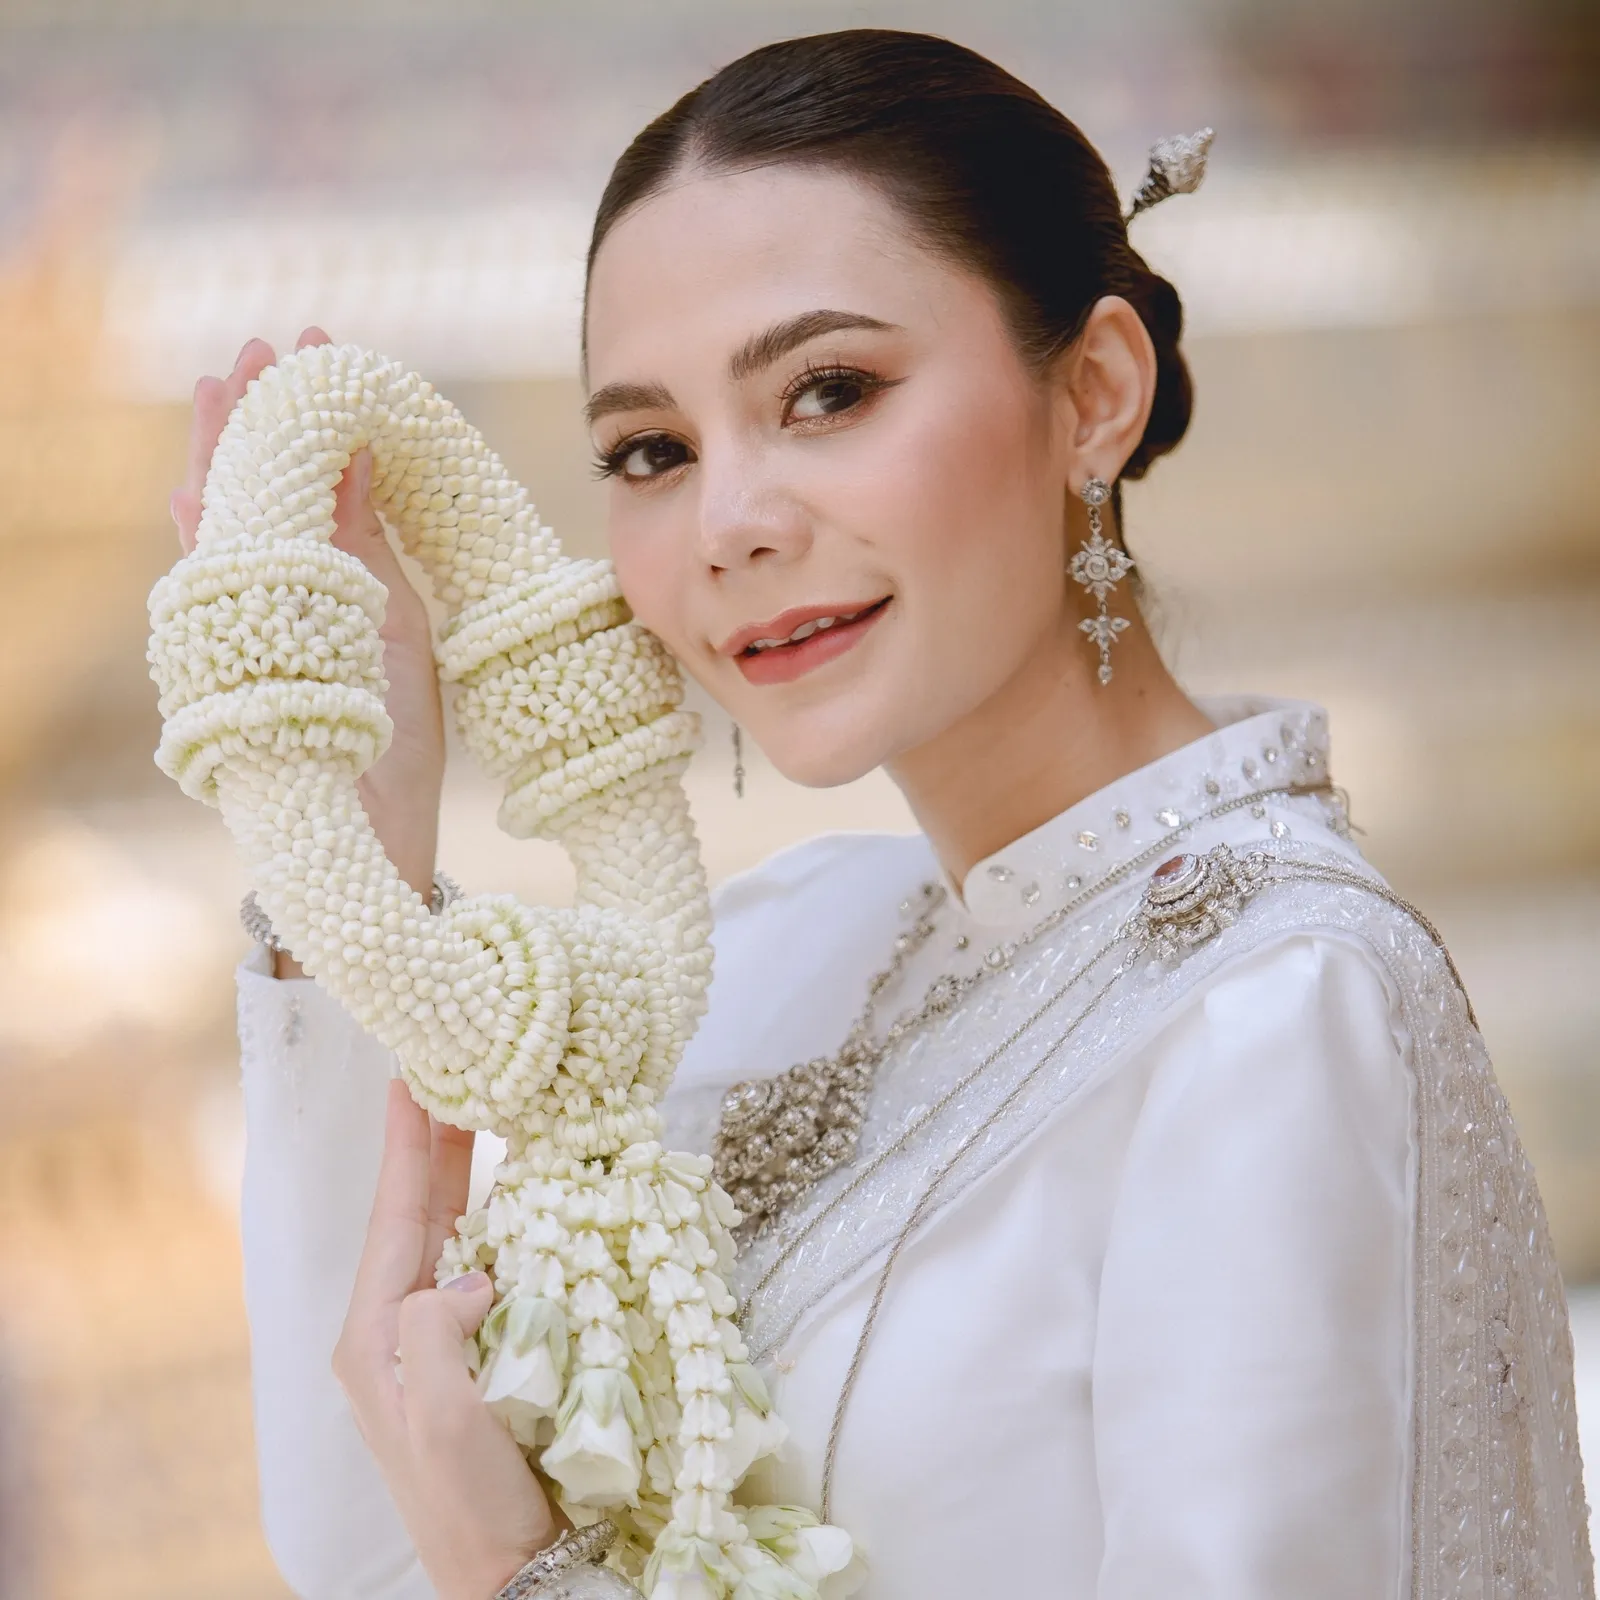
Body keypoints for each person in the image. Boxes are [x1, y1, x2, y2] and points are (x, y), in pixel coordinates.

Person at [171, 29, 1593, 1600]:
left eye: (829, 391)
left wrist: (539, 1582)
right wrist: (361, 832)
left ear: (1096, 395)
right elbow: (377, 1554)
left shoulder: (1270, 1016)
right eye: (653, 450)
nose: (729, 525)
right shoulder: (785, 956)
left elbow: (494, 1559)